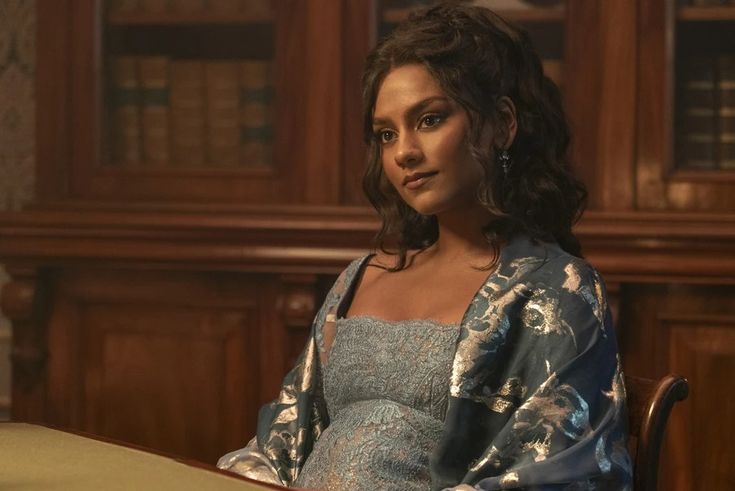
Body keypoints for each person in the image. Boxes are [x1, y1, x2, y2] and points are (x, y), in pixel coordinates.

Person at [218, 3, 632, 490]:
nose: (403, 153)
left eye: (430, 120)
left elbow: (558, 472)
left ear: (502, 123)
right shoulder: (359, 278)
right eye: (386, 134)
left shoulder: (554, 290)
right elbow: (280, 443)